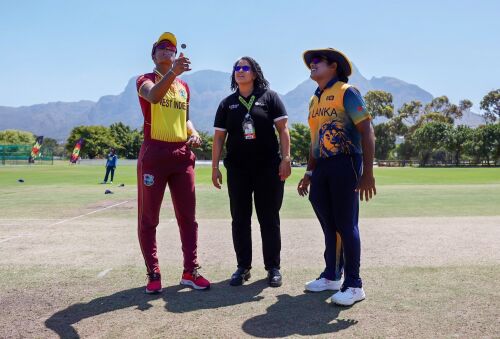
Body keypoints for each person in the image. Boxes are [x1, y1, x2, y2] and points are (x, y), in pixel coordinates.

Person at [297, 48, 376, 306]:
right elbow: (314, 140)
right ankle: (332, 275)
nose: (312, 64)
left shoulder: (347, 91)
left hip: (346, 163)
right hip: (322, 167)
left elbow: (367, 131)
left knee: (346, 224)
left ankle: (354, 285)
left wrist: (368, 174)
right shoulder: (314, 100)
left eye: (317, 61)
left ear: (333, 66)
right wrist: (309, 172)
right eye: (311, 62)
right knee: (329, 225)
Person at [135, 32, 210, 293]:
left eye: (172, 47)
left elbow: (185, 117)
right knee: (149, 219)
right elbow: (154, 96)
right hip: (154, 154)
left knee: (188, 218)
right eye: (162, 47)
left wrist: (194, 132)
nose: (168, 49)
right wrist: (173, 73)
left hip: (181, 155)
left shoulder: (183, 87)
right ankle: (153, 273)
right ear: (154, 55)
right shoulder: (144, 80)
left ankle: (190, 270)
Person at [212, 56, 291, 287]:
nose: (240, 71)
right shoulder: (227, 103)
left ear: (255, 73)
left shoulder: (270, 98)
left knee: (269, 219)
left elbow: (283, 130)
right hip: (237, 170)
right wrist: (215, 167)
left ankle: (273, 267)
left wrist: (286, 158)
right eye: (237, 68)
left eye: (245, 68)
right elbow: (219, 138)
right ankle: (243, 267)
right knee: (240, 219)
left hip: (268, 168)